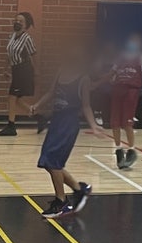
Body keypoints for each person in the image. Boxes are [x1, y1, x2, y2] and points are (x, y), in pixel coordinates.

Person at [30, 47, 100, 219]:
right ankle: (79, 190)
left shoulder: (83, 79)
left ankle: (61, 202)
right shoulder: (61, 72)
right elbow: (51, 93)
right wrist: (37, 105)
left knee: (53, 161)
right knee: (47, 161)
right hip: (56, 121)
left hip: (68, 124)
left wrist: (93, 125)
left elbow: (86, 106)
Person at [0, 12, 44, 136]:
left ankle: (11, 126)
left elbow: (34, 55)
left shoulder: (27, 38)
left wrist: (37, 71)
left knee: (12, 97)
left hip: (24, 70)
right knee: (16, 100)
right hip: (15, 69)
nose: (17, 22)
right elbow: (8, 54)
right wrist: (5, 69)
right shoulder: (11, 36)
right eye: (16, 20)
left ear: (26, 25)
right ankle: (39, 117)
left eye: (20, 21)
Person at [109, 33, 142, 169]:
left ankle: (132, 150)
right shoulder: (121, 56)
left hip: (131, 90)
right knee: (114, 122)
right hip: (118, 88)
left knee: (127, 123)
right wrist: (97, 83)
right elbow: (112, 72)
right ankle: (118, 150)